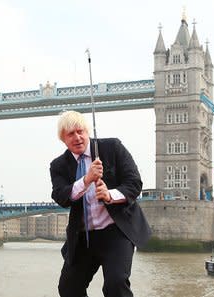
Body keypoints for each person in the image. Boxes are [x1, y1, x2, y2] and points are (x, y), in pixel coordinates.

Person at [50, 110, 151, 297]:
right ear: (63, 139)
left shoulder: (112, 147)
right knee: (68, 288)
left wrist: (109, 194)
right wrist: (86, 180)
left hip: (116, 232)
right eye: (71, 134)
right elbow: (61, 196)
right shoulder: (58, 165)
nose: (77, 137)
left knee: (115, 284)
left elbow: (134, 183)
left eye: (80, 131)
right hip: (83, 236)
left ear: (87, 131)